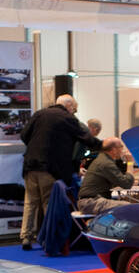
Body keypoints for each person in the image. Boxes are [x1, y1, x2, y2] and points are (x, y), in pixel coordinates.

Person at [20, 94, 93, 250]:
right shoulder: (67, 121)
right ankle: (49, 239)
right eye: (73, 108)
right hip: (48, 168)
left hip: (30, 165)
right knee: (49, 204)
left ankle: (26, 238)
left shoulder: (39, 114)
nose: (73, 112)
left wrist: (34, 148)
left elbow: (24, 135)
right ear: (69, 106)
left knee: (30, 203)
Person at [77, 136, 138, 214]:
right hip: (91, 203)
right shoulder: (106, 163)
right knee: (129, 206)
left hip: (90, 201)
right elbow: (127, 184)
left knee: (125, 203)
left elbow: (120, 181)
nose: (122, 149)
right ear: (114, 150)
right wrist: (130, 162)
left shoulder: (103, 159)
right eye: (121, 147)